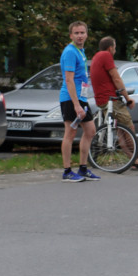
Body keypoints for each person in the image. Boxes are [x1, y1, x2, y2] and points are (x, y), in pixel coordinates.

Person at [90, 36, 138, 171]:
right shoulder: (106, 56)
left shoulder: (96, 57)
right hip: (111, 100)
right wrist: (127, 98)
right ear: (110, 48)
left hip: (102, 100)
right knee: (129, 129)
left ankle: (134, 161)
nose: (114, 50)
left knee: (122, 131)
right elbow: (116, 78)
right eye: (114, 47)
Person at [59, 21, 100, 183]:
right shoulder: (70, 52)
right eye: (76, 33)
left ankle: (83, 168)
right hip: (70, 98)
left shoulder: (80, 51)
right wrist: (76, 105)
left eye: (82, 32)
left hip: (81, 98)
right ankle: (67, 171)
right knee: (70, 133)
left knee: (90, 131)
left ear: (86, 35)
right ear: (71, 35)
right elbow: (69, 80)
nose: (80, 35)